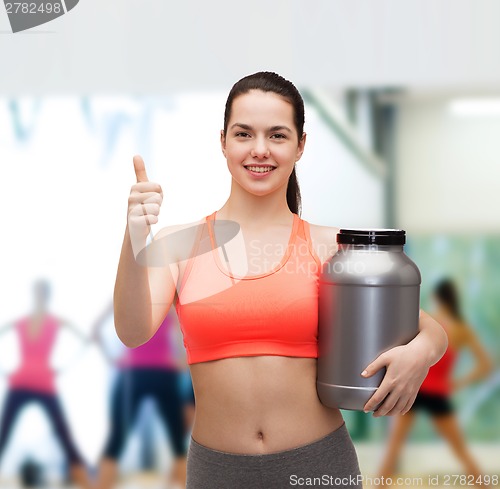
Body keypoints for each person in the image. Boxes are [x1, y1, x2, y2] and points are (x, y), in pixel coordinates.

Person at [113, 72, 448, 488]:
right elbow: (132, 331)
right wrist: (135, 238)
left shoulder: (330, 247)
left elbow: (425, 326)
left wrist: (421, 354)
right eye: (243, 134)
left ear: (300, 145)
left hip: (319, 464)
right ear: (223, 142)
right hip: (218, 473)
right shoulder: (180, 245)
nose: (259, 150)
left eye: (277, 135)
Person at [377, 278, 495, 485]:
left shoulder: (429, 322)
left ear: (437, 298)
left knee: (394, 447)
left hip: (416, 390)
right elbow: (485, 365)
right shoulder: (462, 329)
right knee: (460, 451)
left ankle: (379, 486)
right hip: (437, 393)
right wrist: (459, 383)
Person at [0, 279, 91, 488]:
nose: (39, 296)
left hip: (44, 384)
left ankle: (85, 482)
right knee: (3, 435)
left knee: (64, 436)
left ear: (47, 295)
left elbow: (85, 340)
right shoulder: (21, 321)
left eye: (42, 292)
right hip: (19, 383)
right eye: (37, 292)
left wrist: (64, 367)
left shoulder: (56, 321)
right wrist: (4, 370)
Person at [92, 304, 194, 489]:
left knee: (118, 439)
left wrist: (181, 360)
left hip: (139, 374)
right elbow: (181, 334)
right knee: (176, 440)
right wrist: (181, 359)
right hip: (152, 374)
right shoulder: (166, 301)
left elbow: (96, 328)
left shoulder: (159, 300)